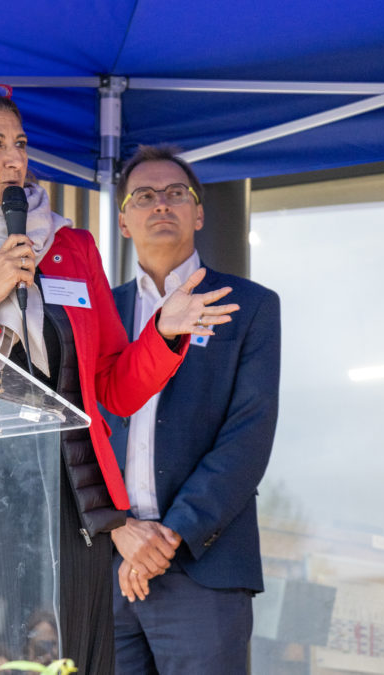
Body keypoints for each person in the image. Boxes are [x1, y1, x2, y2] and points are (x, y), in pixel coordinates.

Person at [0, 85, 237, 673]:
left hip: (62, 498)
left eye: (20, 143)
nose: (14, 158)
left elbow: (112, 387)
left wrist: (163, 332)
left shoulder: (69, 245)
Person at [100, 146, 281, 675]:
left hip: (204, 561)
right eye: (145, 196)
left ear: (198, 213)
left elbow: (248, 433)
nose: (162, 205)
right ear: (125, 221)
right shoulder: (96, 313)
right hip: (109, 564)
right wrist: (118, 528)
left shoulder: (248, 306)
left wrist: (170, 534)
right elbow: (77, 431)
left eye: (177, 194)